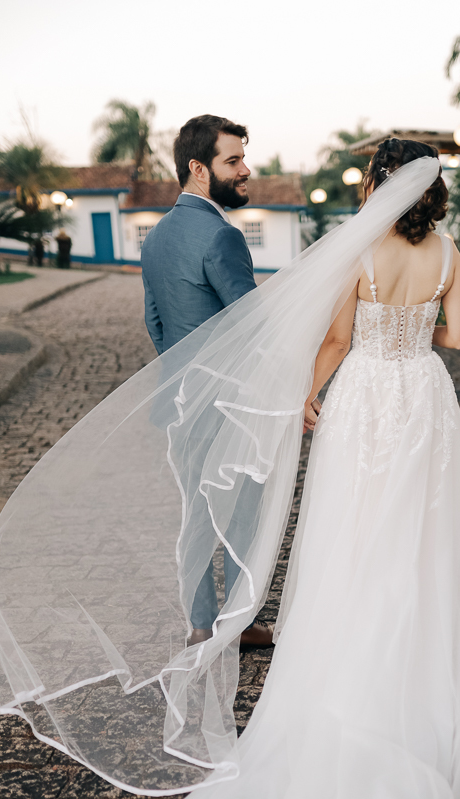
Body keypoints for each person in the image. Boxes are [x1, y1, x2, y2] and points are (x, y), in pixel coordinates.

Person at [135, 139, 460, 799]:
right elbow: (458, 336)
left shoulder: (360, 250)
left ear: (376, 185)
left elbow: (334, 340)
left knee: (348, 536)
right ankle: (415, 665)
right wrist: (417, 329)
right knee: (423, 541)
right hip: (423, 400)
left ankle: (344, 651)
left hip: (365, 399)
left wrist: (308, 389)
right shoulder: (448, 252)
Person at [141, 114, 273, 649]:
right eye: (233, 160)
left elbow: (155, 322)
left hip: (179, 401)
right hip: (229, 401)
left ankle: (200, 625)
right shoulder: (222, 235)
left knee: (195, 513)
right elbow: (252, 324)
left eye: (243, 158)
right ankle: (238, 624)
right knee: (240, 514)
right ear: (199, 168)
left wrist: (185, 376)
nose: (245, 170)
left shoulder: (156, 238)